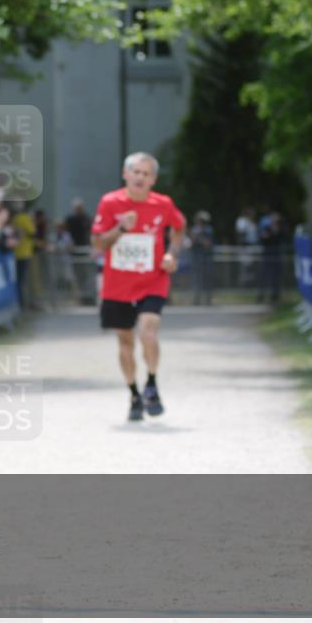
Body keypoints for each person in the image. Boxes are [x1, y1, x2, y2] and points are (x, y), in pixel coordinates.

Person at [91, 152, 185, 422]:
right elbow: (98, 245)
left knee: (148, 330)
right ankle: (134, 394)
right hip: (117, 285)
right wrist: (120, 228)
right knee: (125, 341)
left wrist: (172, 254)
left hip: (153, 280)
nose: (141, 177)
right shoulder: (110, 202)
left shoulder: (163, 204)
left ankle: (152, 384)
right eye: (136, 172)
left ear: (153, 179)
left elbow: (179, 227)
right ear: (125, 174)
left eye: (146, 173)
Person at [189, 210, 214, 305]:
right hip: (196, 258)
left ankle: (208, 299)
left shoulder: (208, 230)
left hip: (206, 258)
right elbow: (191, 242)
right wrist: (195, 237)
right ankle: (197, 299)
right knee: (196, 279)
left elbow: (207, 244)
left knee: (207, 279)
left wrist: (199, 238)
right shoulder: (195, 230)